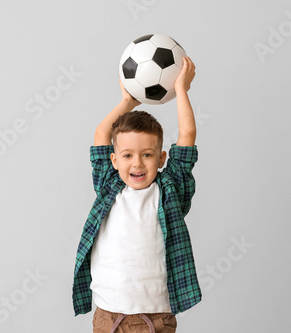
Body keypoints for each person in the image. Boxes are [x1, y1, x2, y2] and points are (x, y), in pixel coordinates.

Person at [72, 57, 202, 333]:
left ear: (161, 158)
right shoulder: (109, 185)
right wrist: (128, 103)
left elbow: (187, 134)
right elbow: (101, 133)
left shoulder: (169, 190)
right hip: (108, 316)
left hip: (155, 318)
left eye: (147, 155)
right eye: (127, 155)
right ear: (115, 160)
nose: (137, 164)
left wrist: (181, 90)